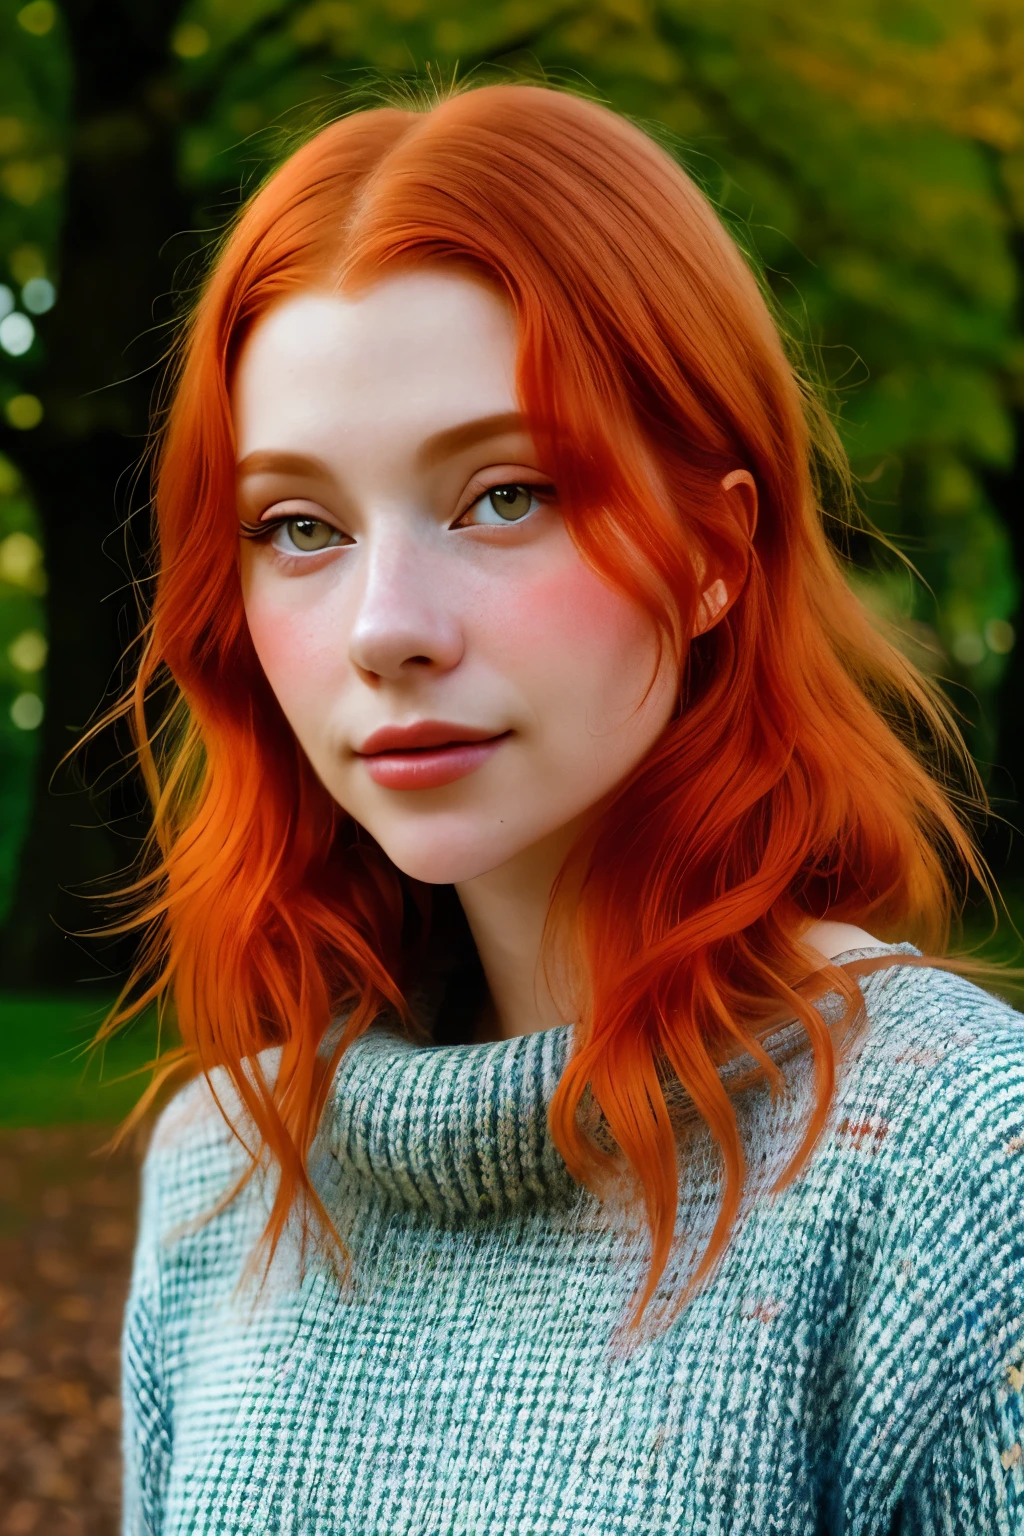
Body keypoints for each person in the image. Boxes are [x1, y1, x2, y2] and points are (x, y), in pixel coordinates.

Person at [113, 82, 1024, 1534]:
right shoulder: (225, 1171)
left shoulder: (958, 1156)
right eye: (301, 527)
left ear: (715, 548)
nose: (383, 627)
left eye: (505, 495)